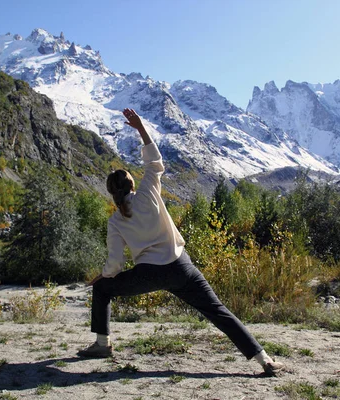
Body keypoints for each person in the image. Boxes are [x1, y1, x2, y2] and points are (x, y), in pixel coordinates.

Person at [78, 108, 285, 376]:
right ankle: (264, 360)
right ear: (131, 183)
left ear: (111, 192)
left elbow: (115, 262)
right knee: (218, 311)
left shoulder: (115, 221)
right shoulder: (148, 193)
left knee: (103, 290)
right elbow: (154, 162)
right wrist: (140, 127)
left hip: (148, 275)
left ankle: (102, 345)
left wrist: (102, 277)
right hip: (181, 268)